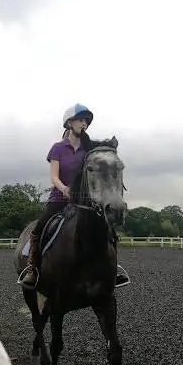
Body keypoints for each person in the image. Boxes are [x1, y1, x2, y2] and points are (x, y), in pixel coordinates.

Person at [20, 104, 129, 290]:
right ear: (69, 122)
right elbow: (54, 176)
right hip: (59, 198)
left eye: (86, 121)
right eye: (80, 119)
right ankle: (32, 268)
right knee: (39, 228)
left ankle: (113, 268)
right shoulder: (58, 148)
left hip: (83, 201)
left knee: (108, 229)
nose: (84, 123)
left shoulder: (88, 150)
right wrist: (63, 188)